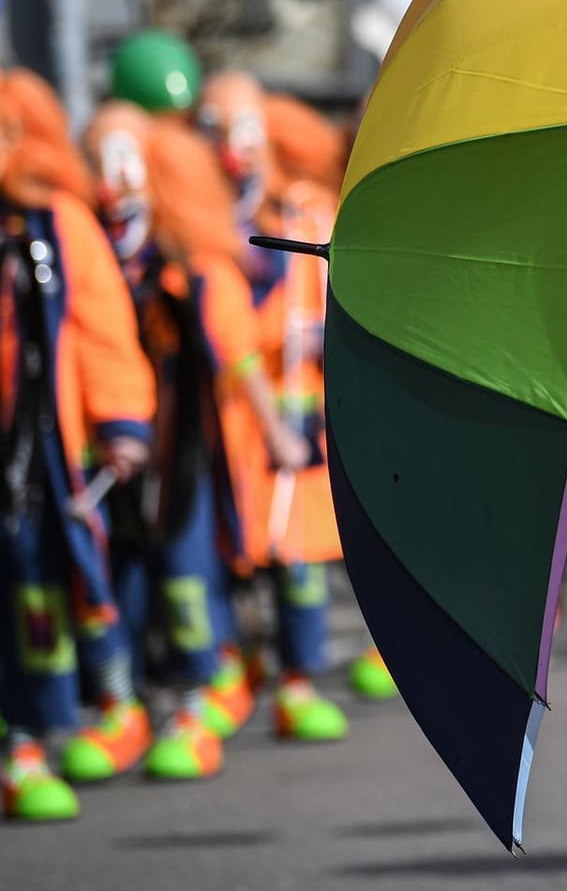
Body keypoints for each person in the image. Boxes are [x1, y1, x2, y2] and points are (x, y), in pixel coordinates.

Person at [73, 104, 306, 780]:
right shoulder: (90, 259)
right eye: (100, 163)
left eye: (125, 164)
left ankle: (209, 688)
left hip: (192, 457)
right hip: (119, 456)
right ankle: (130, 704)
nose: (112, 184)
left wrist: (275, 433)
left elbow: (236, 357)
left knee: (187, 573)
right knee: (123, 582)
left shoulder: (197, 268)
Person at [196, 75, 375, 736]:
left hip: (297, 412)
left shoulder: (304, 212)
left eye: (242, 130)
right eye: (215, 130)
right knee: (223, 554)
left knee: (297, 550)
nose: (231, 148)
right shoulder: (201, 223)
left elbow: (339, 295)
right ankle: (231, 670)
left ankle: (296, 681)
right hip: (224, 422)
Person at [0, 72, 155, 822]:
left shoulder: (62, 224)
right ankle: (27, 735)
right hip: (9, 453)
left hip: (58, 451)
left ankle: (116, 707)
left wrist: (122, 423)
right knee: (23, 595)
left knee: (85, 582)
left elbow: (101, 330)